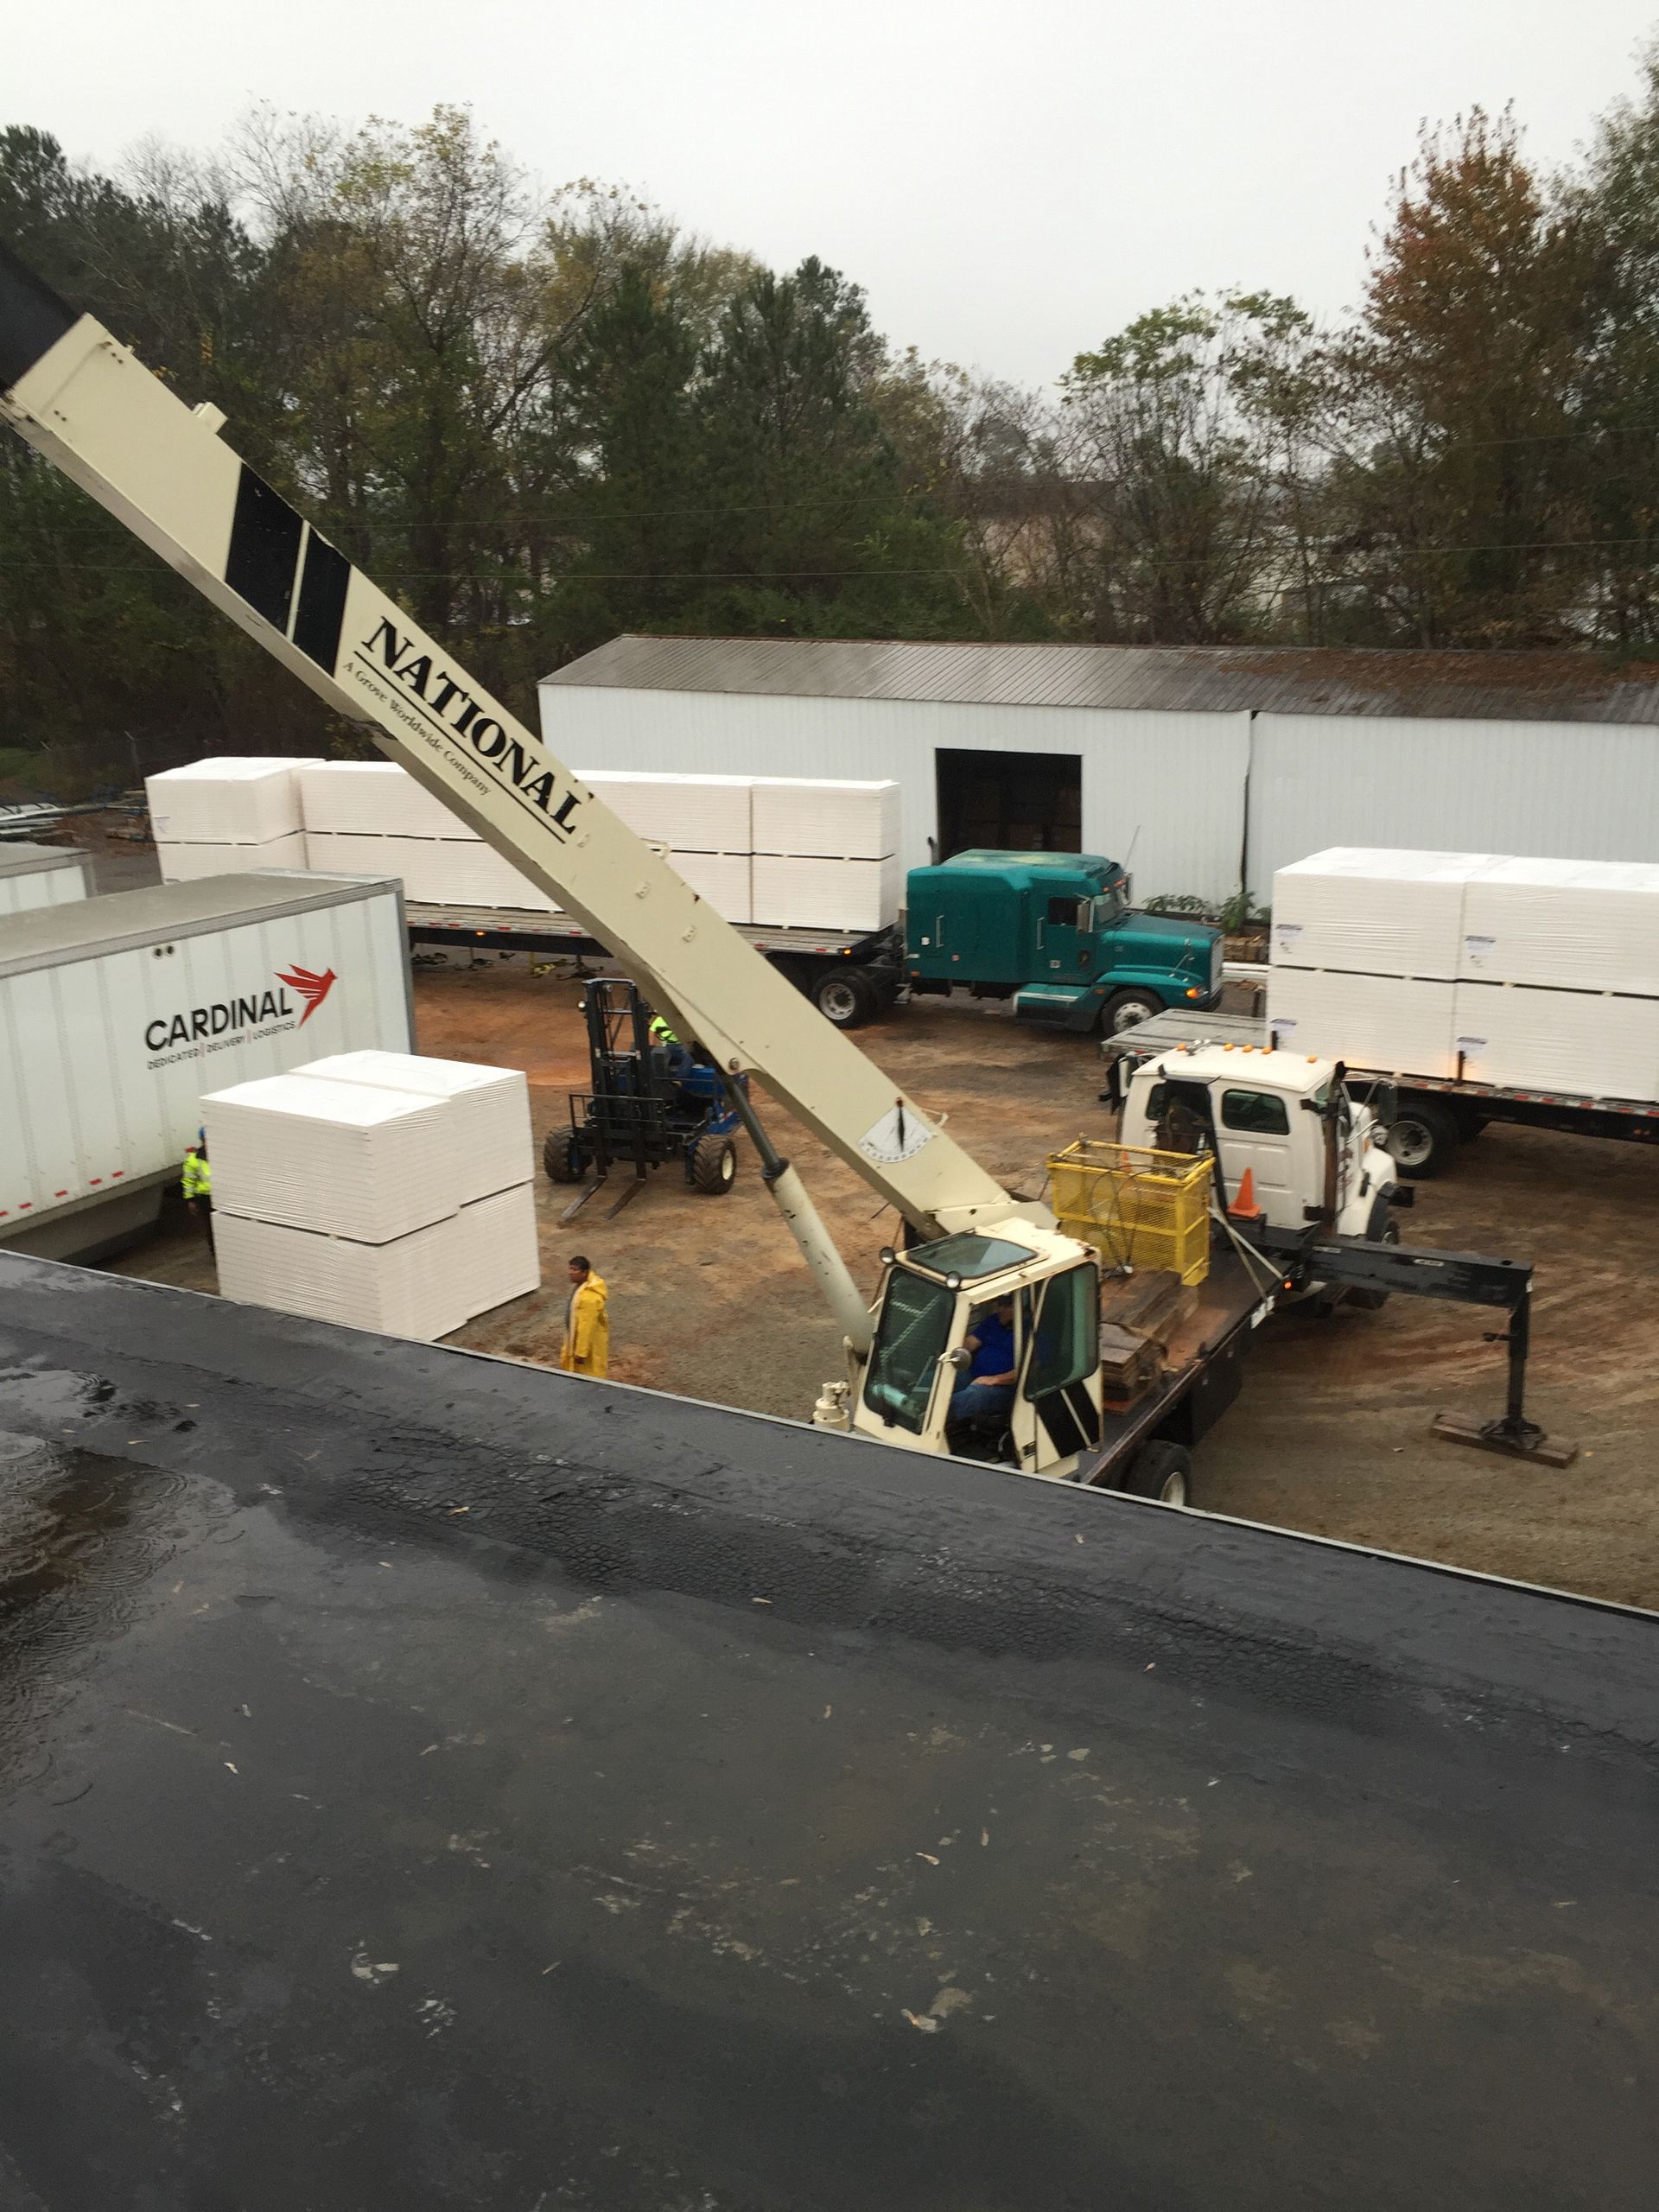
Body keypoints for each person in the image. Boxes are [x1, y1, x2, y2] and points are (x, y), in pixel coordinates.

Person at [950, 1294, 1017, 1423]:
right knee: (943, 1376)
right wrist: (954, 1346)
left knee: (972, 1396)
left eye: (1006, 1306)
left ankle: (928, 1421)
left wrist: (995, 1379)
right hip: (975, 1375)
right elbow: (971, 1342)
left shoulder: (1032, 1335)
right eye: (999, 1305)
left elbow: (1028, 1372)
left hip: (1004, 1388)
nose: (999, 1310)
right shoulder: (994, 1321)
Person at [559, 1254, 609, 1378]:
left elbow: (586, 1326)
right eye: (570, 1269)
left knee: (588, 1377)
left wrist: (581, 1352)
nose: (570, 1273)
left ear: (584, 1273)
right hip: (578, 1342)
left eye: (574, 1270)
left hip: (587, 1349)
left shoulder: (589, 1298)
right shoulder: (582, 1288)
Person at [181, 1128, 214, 1255]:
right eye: (206, 1140)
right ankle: (215, 1253)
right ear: (202, 1141)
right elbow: (188, 1181)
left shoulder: (223, 1155)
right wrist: (191, 1200)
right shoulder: (193, 1160)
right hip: (206, 1198)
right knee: (212, 1227)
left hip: (224, 1195)